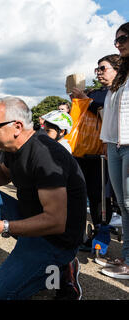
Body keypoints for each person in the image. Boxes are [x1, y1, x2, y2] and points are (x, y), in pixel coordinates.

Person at [0, 96, 87, 300]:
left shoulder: (46, 155)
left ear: (17, 126)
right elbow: (4, 174)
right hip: (32, 218)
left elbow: (56, 222)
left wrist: (3, 226)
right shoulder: (13, 146)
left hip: (55, 238)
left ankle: (61, 268)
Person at [70, 54, 121, 250]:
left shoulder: (117, 93)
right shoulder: (96, 92)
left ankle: (102, 234)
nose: (98, 73)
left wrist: (86, 101)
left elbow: (108, 113)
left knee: (101, 195)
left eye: (103, 68)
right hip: (84, 152)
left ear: (117, 70)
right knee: (83, 192)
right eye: (97, 69)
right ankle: (82, 234)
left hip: (104, 152)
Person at [97, 22, 129, 280]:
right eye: (116, 40)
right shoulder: (120, 79)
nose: (118, 44)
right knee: (124, 205)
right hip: (115, 146)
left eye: (123, 39)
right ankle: (127, 257)